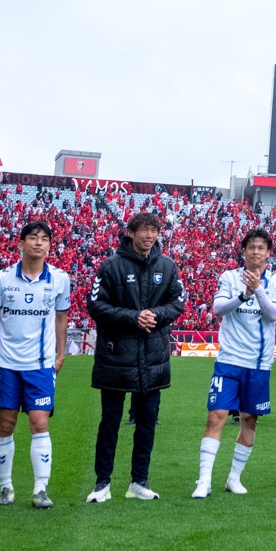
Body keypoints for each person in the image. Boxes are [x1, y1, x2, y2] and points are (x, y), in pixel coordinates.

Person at [85, 212, 183, 503]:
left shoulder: (167, 266)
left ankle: (139, 481)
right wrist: (133, 318)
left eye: (154, 230)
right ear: (130, 232)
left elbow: (178, 302)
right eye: (143, 230)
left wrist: (156, 315)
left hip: (153, 358)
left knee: (147, 422)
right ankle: (102, 483)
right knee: (110, 422)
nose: (149, 235)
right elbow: (95, 306)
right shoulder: (110, 266)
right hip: (116, 356)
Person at [0, 219, 71, 507]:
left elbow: (61, 318)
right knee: (5, 423)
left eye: (44, 238)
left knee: (39, 421)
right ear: (21, 243)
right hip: (6, 364)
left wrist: (60, 353)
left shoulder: (59, 279)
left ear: (49, 245)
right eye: (33, 237)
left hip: (40, 364)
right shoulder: (2, 279)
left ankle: (40, 488)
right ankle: (6, 487)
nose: (39, 243)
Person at [195, 227, 276, 499]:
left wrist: (257, 291)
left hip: (258, 363)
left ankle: (234, 478)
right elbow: (218, 309)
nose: (255, 252)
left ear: (269, 254)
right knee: (216, 417)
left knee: (249, 420)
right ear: (244, 251)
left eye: (261, 248)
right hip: (229, 360)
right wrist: (244, 294)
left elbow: (274, 315)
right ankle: (204, 480)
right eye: (251, 247)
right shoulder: (229, 277)